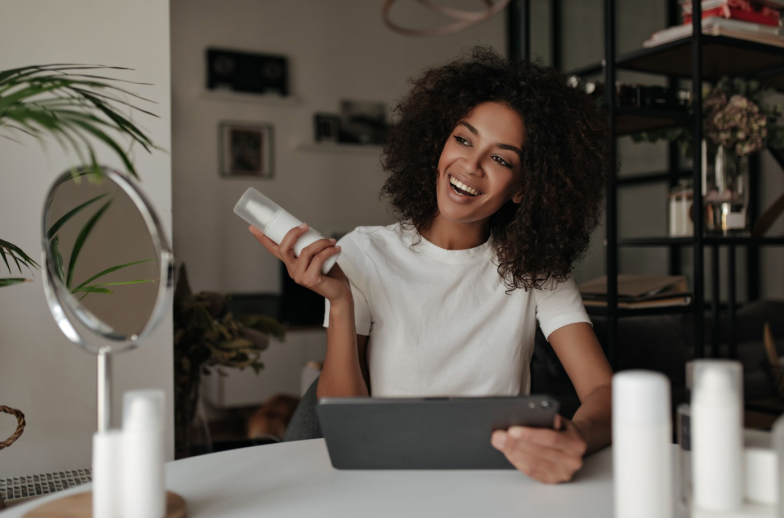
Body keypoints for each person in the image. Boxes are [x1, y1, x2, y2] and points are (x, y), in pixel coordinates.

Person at [250, 47, 614, 484]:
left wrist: (576, 435)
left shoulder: (535, 268)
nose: (470, 166)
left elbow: (603, 391)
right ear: (438, 144)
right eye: (463, 139)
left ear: (523, 188)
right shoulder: (364, 253)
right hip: (387, 480)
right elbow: (341, 422)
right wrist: (341, 301)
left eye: (501, 159)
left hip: (496, 482)